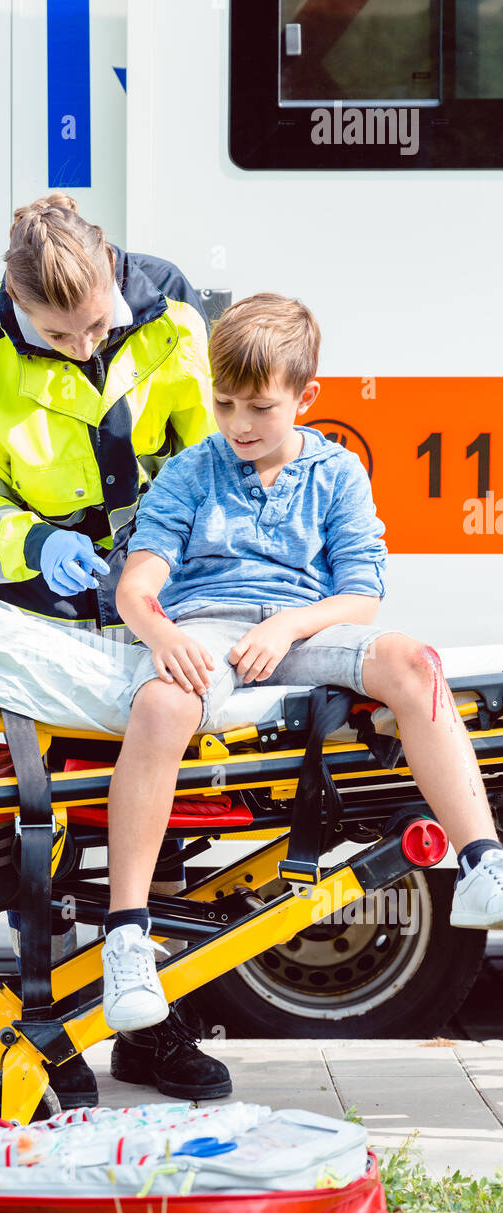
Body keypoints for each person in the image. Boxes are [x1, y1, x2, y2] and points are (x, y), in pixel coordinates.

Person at [103, 292, 503, 1094]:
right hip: (208, 626)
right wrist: (165, 636)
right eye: (223, 404)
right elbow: (138, 588)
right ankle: (125, 939)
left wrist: (287, 629)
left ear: (306, 398)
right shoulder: (189, 472)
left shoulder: (337, 471)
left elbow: (361, 595)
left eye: (260, 407)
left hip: (305, 629)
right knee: (160, 703)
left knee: (411, 662)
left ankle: (483, 862)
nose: (238, 423)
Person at [0, 193, 222, 1105]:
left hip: (164, 589)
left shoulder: (170, 308)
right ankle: (56, 1034)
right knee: (45, 823)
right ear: (16, 304)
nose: (86, 347)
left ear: (113, 282)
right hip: (40, 611)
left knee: (171, 800)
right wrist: (35, 546)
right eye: (58, 337)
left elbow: (214, 455)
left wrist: (157, 553)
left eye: (96, 326)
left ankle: (156, 1030)